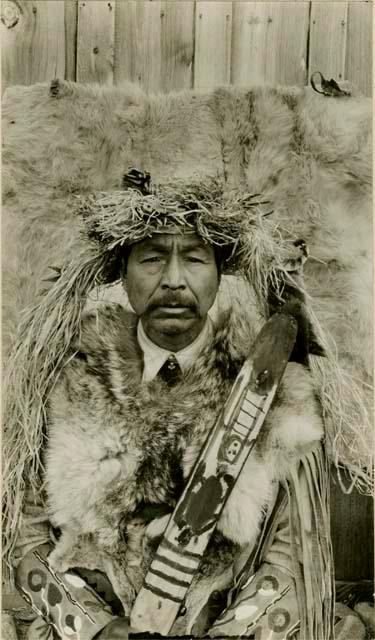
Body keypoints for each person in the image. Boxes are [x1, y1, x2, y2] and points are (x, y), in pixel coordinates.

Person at [3, 174, 334, 639]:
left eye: (195, 258)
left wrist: (230, 634)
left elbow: (296, 555)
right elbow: (24, 537)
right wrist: (94, 628)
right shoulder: (64, 379)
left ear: (221, 272)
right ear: (123, 270)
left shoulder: (276, 388)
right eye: (153, 258)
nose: (174, 280)